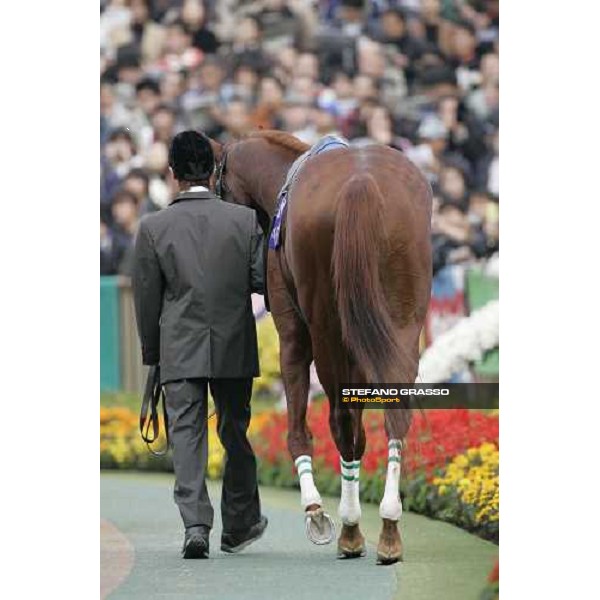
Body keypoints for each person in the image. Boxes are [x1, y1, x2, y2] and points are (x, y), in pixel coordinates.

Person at [132, 130, 268, 559]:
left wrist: (154, 355)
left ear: (172, 174)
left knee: (187, 437)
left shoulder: (153, 227)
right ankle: (240, 522)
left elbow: (147, 301)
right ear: (213, 172)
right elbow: (262, 281)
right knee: (235, 431)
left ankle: (195, 526)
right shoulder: (244, 221)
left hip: (179, 347)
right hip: (234, 344)